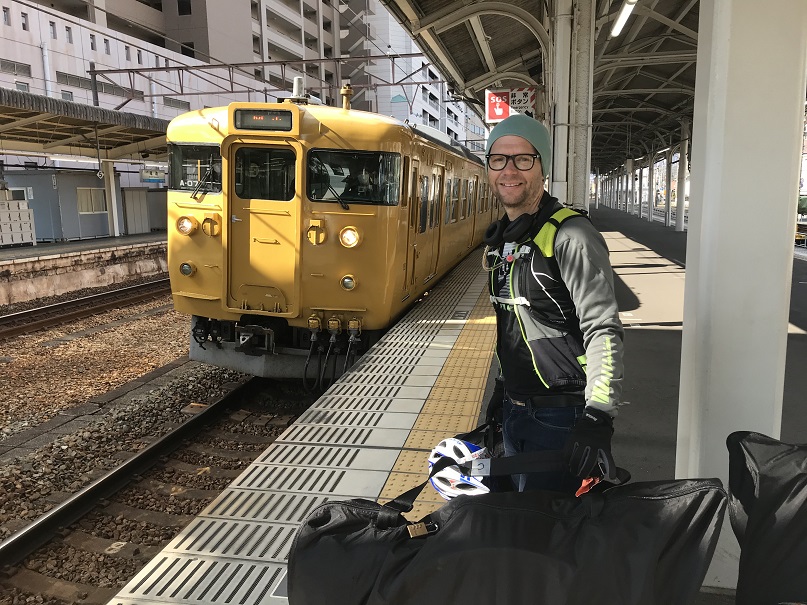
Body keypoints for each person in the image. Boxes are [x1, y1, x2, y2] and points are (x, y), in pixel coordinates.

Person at [483, 113, 624, 493]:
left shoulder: (571, 236)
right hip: (515, 409)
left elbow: (603, 327)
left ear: (542, 168)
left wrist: (599, 416)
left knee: (548, 525)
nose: (509, 170)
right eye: (498, 159)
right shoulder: (507, 239)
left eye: (523, 159)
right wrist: (501, 387)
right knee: (515, 517)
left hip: (562, 417)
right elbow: (514, 325)